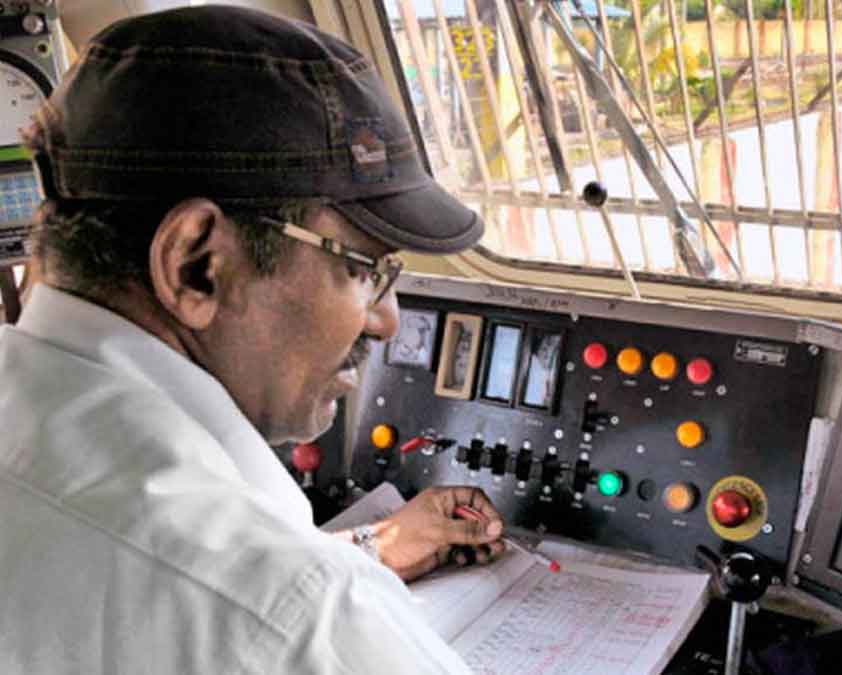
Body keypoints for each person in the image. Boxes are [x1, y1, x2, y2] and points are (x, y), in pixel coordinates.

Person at [0, 6, 505, 673]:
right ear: (196, 266)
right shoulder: (307, 621)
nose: (386, 320)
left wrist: (365, 547)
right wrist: (321, 583)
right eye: (362, 270)